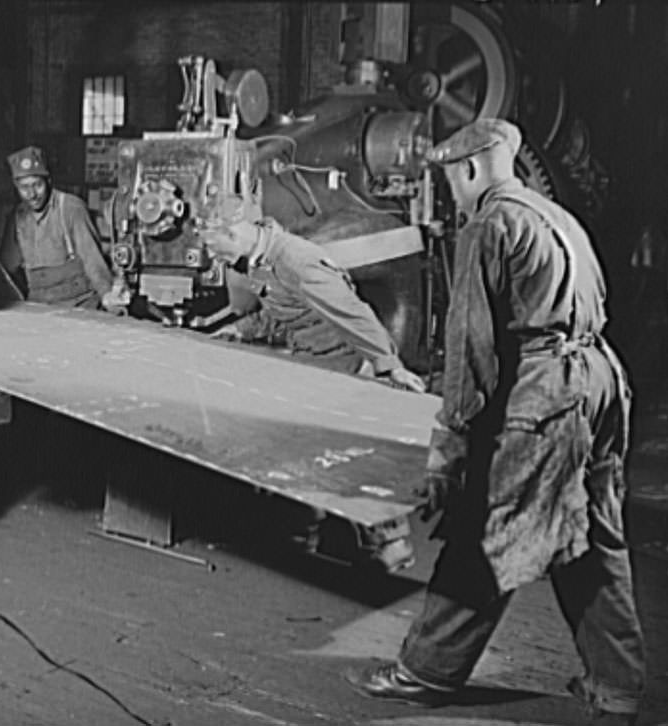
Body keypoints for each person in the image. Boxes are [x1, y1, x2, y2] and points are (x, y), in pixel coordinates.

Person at [346, 119, 646, 724]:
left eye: (450, 181)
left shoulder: (490, 223)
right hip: (601, 382)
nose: (452, 195)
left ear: (470, 169)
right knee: (589, 534)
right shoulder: (558, 217)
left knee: (486, 529)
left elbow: (470, 348)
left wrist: (450, 447)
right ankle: (618, 685)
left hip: (548, 393)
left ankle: (424, 672)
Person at [197, 210, 426, 393]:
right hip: (309, 355)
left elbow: (349, 311)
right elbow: (284, 309)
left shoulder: (296, 260)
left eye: (211, 246)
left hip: (339, 365)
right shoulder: (258, 260)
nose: (212, 256)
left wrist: (390, 366)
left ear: (232, 235)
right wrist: (240, 329)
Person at [0, 145, 114, 307]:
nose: (32, 194)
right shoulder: (18, 218)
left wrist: (108, 295)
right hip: (39, 305)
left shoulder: (70, 208)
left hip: (79, 303)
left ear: (49, 181)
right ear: (16, 187)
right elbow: (6, 269)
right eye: (24, 188)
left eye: (37, 185)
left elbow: (92, 260)